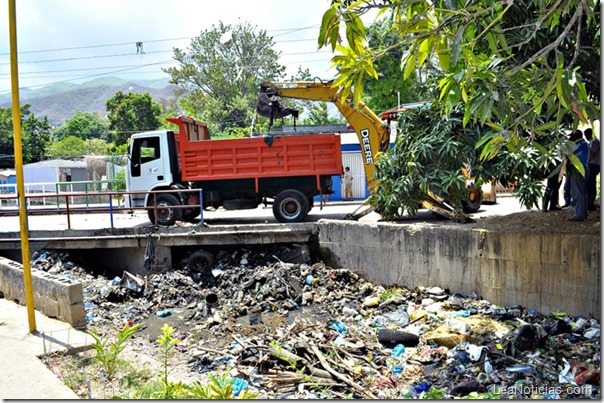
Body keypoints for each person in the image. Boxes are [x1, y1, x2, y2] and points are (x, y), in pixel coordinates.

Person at [567, 130, 590, 221]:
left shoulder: (580, 144)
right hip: (583, 169)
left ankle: (579, 214)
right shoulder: (584, 143)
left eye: (571, 136)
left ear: (576, 136)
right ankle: (583, 213)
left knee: (578, 192)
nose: (570, 139)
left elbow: (570, 154)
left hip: (578, 169)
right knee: (582, 191)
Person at [585, 128, 600, 211]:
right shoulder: (592, 141)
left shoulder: (594, 141)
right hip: (594, 164)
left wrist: (587, 161)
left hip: (593, 164)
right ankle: (589, 203)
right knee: (590, 184)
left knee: (590, 184)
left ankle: (590, 203)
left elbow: (592, 153)